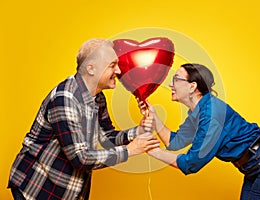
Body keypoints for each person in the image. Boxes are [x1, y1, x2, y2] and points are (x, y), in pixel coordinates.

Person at [8, 38, 160, 200]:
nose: (118, 71)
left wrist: (139, 131)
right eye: (112, 65)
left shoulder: (97, 97)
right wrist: (129, 150)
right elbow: (80, 158)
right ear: (91, 69)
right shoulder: (65, 99)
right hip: (38, 188)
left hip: (69, 191)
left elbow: (107, 136)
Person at [140, 63, 260, 199]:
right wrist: (155, 119)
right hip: (255, 166)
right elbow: (174, 142)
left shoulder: (211, 115)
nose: (170, 84)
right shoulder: (200, 112)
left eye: (176, 79)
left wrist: (154, 152)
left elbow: (191, 164)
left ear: (192, 86)